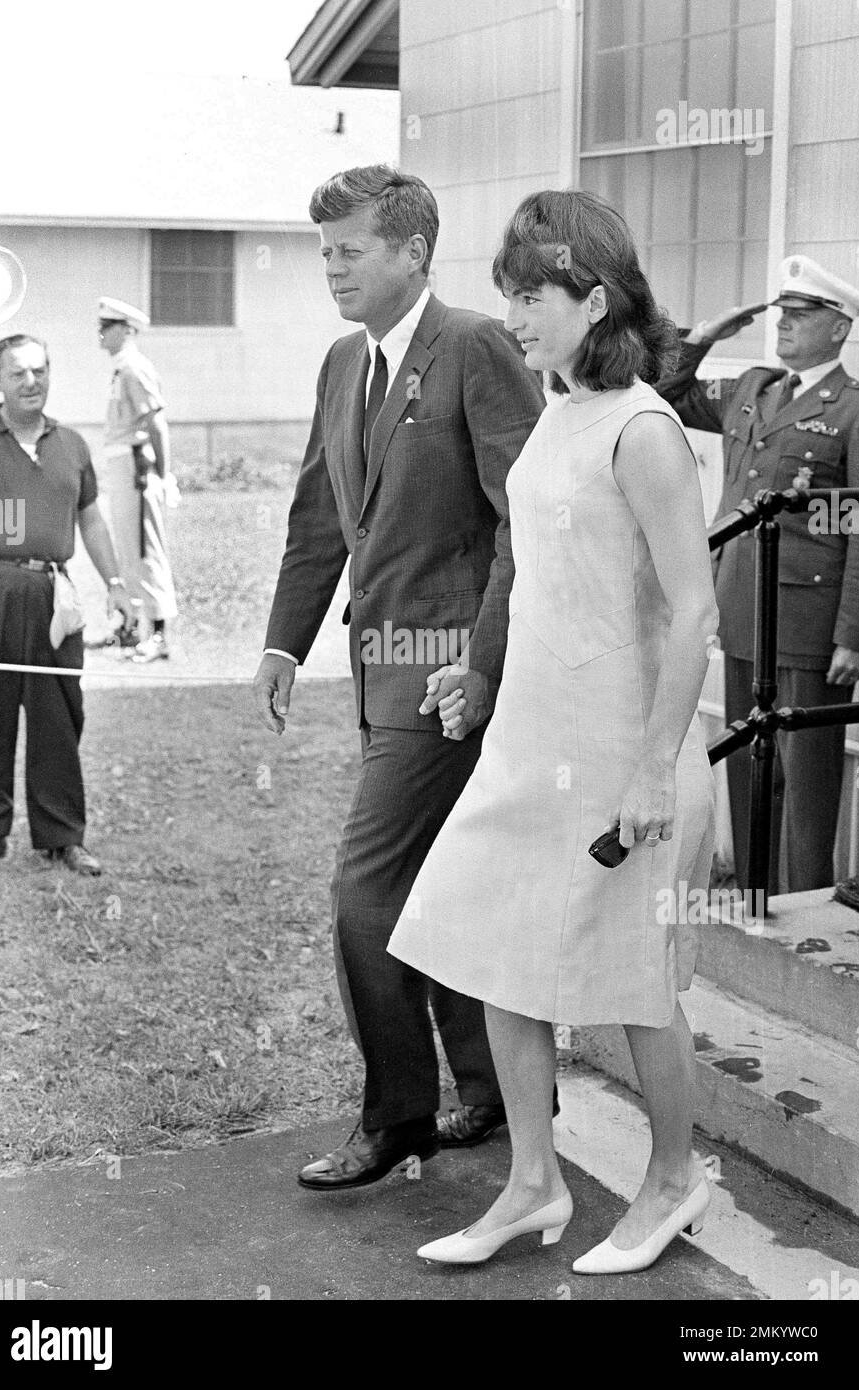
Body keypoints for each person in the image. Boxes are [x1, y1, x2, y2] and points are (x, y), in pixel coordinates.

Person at [388, 189, 718, 1274]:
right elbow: (531, 570)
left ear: (595, 295)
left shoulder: (643, 428)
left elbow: (694, 611)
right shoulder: (558, 407)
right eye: (510, 296)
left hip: (626, 747)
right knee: (486, 941)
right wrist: (477, 682)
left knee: (632, 979)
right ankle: (534, 1182)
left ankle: (672, 1182)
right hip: (530, 735)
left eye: (531, 296)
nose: (515, 316)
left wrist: (655, 770)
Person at [254, 164, 546, 1190]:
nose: (330, 269)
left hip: (449, 682)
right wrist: (284, 642)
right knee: (436, 881)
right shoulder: (342, 363)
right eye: (323, 252)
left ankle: (397, 1115)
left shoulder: (471, 347)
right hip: (381, 677)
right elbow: (321, 519)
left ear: (412, 250)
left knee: (363, 890)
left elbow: (527, 520)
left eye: (349, 250)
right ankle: (495, 1088)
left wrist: (481, 658)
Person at [659, 256, 859, 892]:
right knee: (752, 761)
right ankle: (756, 896)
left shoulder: (854, 411)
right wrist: (702, 339)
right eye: (782, 314)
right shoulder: (753, 387)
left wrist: (856, 633)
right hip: (743, 602)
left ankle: (803, 902)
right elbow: (665, 394)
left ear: (839, 329)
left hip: (809, 619)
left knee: (806, 774)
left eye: (802, 316)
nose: (784, 326)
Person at [0, 334, 133, 873]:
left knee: (59, 711)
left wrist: (117, 583)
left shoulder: (72, 445)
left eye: (40, 370)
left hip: (52, 593)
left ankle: (62, 834)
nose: (31, 381)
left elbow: (91, 519)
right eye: (18, 373)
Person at [97, 296, 178, 663]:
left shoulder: (134, 368)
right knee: (127, 550)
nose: (100, 333)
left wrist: (164, 475)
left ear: (127, 330)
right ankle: (130, 627)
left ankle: (159, 635)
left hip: (137, 467)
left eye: (107, 326)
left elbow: (155, 423)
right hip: (121, 465)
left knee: (146, 550)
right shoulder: (120, 368)